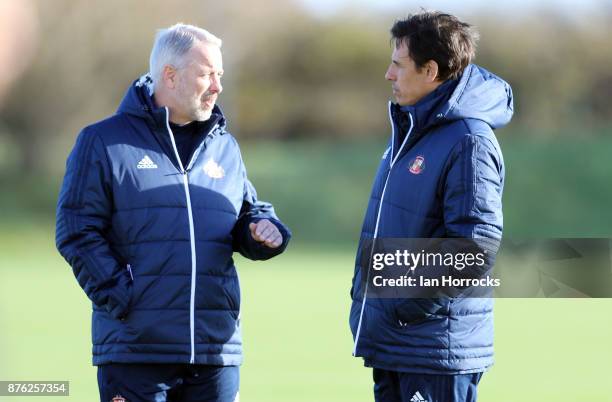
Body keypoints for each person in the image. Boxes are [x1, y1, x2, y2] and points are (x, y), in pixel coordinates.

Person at [56, 23, 290, 402]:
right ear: (169, 75)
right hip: (136, 353)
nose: (217, 86)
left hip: (216, 354)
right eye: (206, 74)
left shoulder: (224, 146)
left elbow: (246, 212)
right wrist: (123, 297)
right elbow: (76, 230)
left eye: (220, 75)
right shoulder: (102, 141)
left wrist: (263, 230)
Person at [349, 11, 513, 402]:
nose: (389, 74)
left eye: (397, 64)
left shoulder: (469, 140)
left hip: (433, 349)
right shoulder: (410, 133)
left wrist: (404, 307)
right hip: (397, 343)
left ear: (430, 70)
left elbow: (475, 246)